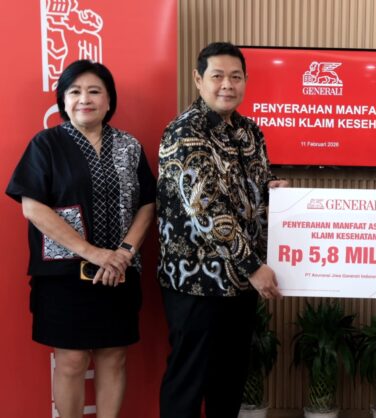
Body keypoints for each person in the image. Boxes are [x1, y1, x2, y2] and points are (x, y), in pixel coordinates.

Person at [5, 60, 156, 418]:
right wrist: (93, 253)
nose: (84, 99)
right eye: (75, 92)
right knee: (71, 361)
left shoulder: (130, 146)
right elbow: (32, 207)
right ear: (63, 100)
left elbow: (148, 203)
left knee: (114, 357)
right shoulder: (46, 144)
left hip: (119, 272)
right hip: (64, 276)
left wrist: (123, 253)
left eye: (94, 91)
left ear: (109, 100)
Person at [156, 41, 287, 418]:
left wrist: (272, 191)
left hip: (240, 284)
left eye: (235, 76)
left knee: (229, 381)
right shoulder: (185, 131)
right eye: (217, 76)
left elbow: (252, 187)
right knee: (188, 381)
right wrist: (253, 266)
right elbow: (205, 208)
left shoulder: (250, 131)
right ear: (199, 80)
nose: (227, 84)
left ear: (245, 81)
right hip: (196, 282)